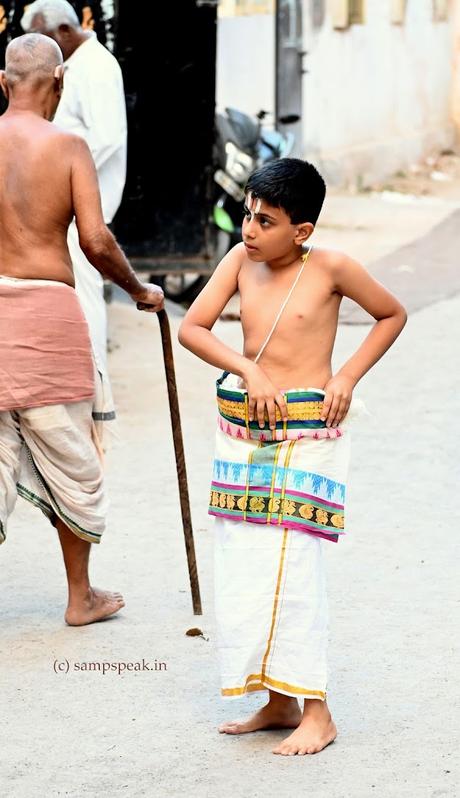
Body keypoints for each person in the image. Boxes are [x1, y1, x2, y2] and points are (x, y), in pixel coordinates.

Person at [178, 158, 407, 756]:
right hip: (245, 435)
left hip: (310, 435)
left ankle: (318, 711)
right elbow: (194, 329)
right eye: (248, 216)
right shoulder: (238, 262)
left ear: (301, 231)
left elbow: (391, 314)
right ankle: (277, 701)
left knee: (295, 565)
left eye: (266, 221)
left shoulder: (330, 267)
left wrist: (348, 377)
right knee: (249, 564)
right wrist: (247, 366)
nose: (249, 231)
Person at [0, 33, 163, 626]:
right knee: (73, 460)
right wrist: (139, 290)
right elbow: (95, 240)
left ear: (2, 83)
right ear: (60, 85)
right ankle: (80, 597)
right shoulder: (69, 147)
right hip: (48, 317)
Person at [21, 0, 127, 416]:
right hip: (70, 193)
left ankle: (95, 390)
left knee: (85, 292)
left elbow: (106, 139)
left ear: (64, 31)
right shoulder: (77, 65)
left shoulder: (97, 66)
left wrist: (59, 177)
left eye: (45, 42)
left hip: (86, 197)